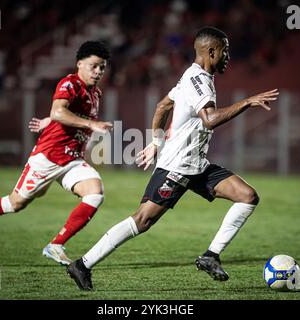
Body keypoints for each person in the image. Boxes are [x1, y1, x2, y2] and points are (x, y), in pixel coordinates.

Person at [66, 27, 279, 290]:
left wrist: (156, 142)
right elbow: (210, 120)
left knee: (248, 196)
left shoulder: (191, 76)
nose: (228, 57)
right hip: (177, 167)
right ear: (211, 52)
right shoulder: (198, 80)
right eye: (225, 51)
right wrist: (247, 102)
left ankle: (210, 256)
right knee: (143, 220)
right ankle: (82, 264)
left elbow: (163, 106)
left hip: (197, 166)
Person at [0, 41, 113, 266]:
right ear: (80, 64)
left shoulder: (95, 93)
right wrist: (88, 123)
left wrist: (52, 119)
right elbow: (59, 110)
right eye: (94, 66)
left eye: (102, 67)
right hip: (48, 157)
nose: (98, 71)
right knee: (15, 204)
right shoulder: (70, 83)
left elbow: (62, 113)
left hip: (72, 159)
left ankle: (56, 245)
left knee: (95, 193)